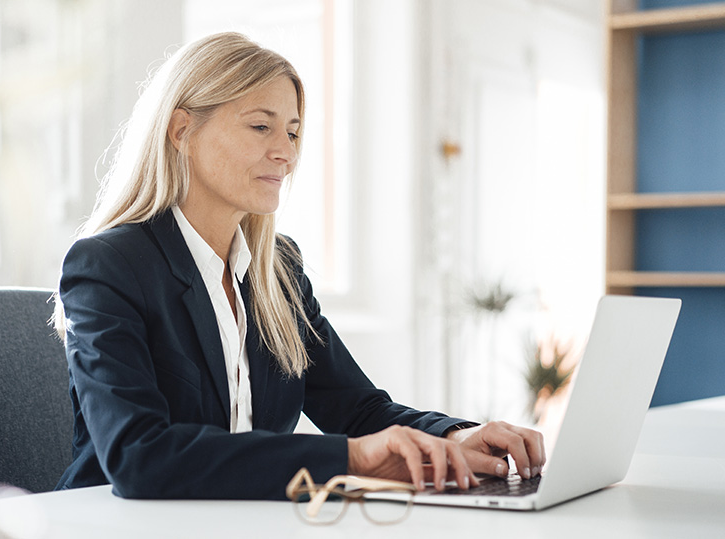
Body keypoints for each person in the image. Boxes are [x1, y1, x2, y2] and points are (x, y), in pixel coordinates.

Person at [52, 31, 544, 500]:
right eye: (261, 126)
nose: (285, 153)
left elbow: (356, 408)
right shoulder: (108, 267)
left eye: (292, 131)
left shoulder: (278, 270)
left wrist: (458, 436)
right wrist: (351, 460)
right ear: (182, 130)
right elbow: (140, 455)